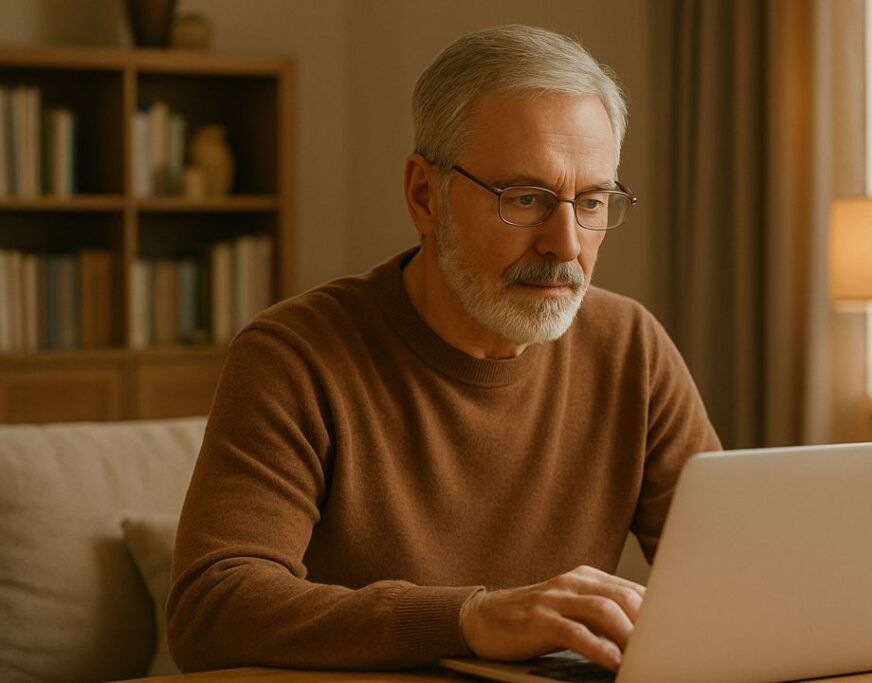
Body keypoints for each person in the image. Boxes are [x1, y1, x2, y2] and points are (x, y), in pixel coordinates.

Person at [167, 24, 719, 675]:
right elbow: (212, 609)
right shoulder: (295, 355)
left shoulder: (632, 349)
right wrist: (467, 616)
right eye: (525, 199)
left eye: (591, 201)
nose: (566, 244)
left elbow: (736, 579)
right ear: (425, 196)